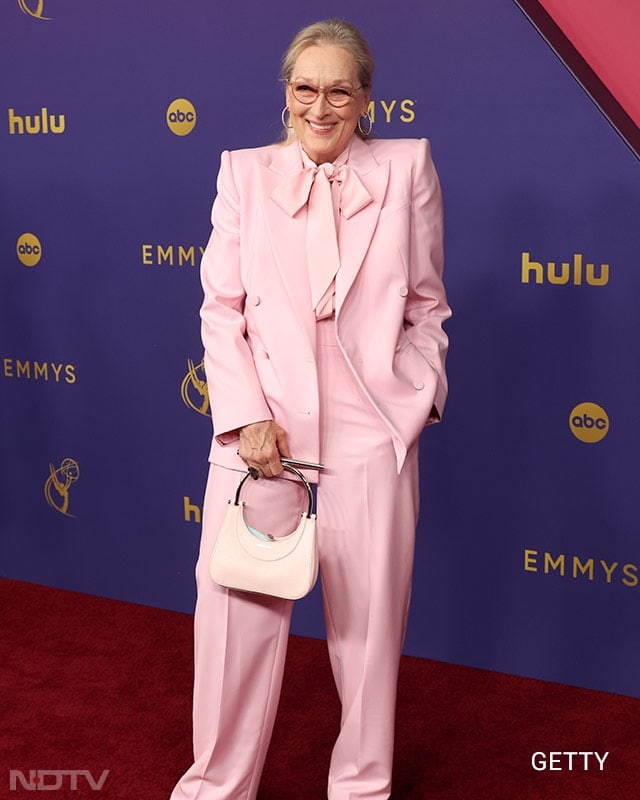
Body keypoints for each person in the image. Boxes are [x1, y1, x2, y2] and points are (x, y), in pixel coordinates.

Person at [170, 18, 451, 800]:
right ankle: (215, 787)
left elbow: (427, 305)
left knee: (366, 634)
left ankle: (361, 787)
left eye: (338, 90)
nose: (319, 106)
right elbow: (220, 309)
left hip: (372, 423)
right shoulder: (243, 173)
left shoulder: (407, 168)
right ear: (285, 95)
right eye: (304, 88)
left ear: (366, 99)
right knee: (235, 622)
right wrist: (243, 414)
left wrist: (420, 393)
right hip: (263, 424)